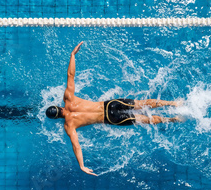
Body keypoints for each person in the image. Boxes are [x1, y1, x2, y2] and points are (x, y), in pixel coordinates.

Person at [45, 42, 182, 176]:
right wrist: (72, 55)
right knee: (142, 103)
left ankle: (172, 119)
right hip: (110, 105)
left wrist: (82, 165)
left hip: (111, 118)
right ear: (58, 107)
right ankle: (174, 104)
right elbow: (70, 75)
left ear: (57, 117)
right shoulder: (68, 99)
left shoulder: (69, 125)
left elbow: (76, 146)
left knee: (145, 120)